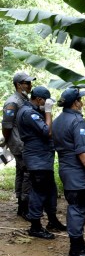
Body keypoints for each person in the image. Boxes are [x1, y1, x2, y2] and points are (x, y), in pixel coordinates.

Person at [52, 88, 85, 256]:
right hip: (78, 174)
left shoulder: (58, 120)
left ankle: (79, 244)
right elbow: (82, 150)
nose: (82, 103)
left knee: (76, 206)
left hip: (67, 171)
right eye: (80, 100)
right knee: (78, 208)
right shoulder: (77, 122)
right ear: (75, 103)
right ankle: (75, 248)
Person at [17, 86, 66, 239]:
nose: (46, 105)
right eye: (45, 102)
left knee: (51, 190)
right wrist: (49, 111)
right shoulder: (28, 113)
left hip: (43, 158)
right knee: (38, 192)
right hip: (37, 159)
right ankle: (35, 226)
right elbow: (47, 131)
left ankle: (52, 220)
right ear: (39, 100)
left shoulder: (33, 110)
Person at [1, 72, 36, 220]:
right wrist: (7, 143)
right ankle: (24, 206)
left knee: (22, 172)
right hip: (19, 143)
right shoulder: (12, 102)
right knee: (27, 172)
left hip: (24, 141)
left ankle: (21, 205)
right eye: (26, 83)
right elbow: (6, 125)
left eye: (29, 83)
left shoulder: (24, 99)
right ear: (18, 85)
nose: (29, 85)